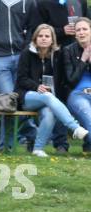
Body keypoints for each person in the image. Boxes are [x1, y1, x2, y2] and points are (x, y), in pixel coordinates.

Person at [15, 24, 88, 157]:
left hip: (48, 98)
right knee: (47, 97)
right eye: (40, 36)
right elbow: (21, 79)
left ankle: (38, 149)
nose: (43, 38)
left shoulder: (56, 55)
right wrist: (36, 86)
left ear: (52, 39)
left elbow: (62, 79)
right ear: (35, 38)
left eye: (47, 36)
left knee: (49, 113)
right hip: (27, 96)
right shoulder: (27, 53)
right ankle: (74, 127)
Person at [0, 0, 38, 152]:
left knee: (18, 101)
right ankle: (30, 134)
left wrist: (26, 48)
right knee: (10, 101)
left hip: (22, 56)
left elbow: (33, 28)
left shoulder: (29, 2)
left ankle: (6, 146)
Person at [36, 0, 89, 154]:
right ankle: (60, 143)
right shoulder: (43, 3)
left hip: (79, 54)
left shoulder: (81, 2)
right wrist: (61, 31)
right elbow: (38, 30)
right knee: (58, 96)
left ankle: (88, 143)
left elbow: (85, 26)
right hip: (56, 55)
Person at [64, 17, 91, 154]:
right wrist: (83, 59)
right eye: (78, 30)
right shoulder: (68, 50)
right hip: (78, 95)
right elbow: (71, 81)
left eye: (85, 29)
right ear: (75, 34)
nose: (81, 32)